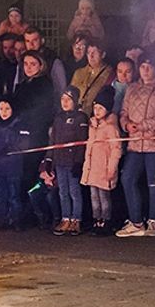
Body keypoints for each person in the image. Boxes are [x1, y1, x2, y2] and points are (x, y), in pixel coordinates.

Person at [116, 57, 155, 237]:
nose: (145, 70)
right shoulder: (132, 88)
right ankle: (136, 221)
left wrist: (145, 125)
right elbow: (123, 112)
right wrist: (126, 125)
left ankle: (154, 221)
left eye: (149, 67)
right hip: (135, 144)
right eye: (142, 67)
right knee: (127, 178)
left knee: (154, 182)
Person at [81, 86, 122, 235]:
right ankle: (96, 220)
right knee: (94, 196)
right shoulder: (92, 126)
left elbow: (116, 149)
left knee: (104, 197)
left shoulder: (111, 128)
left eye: (101, 108)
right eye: (95, 107)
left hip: (104, 169)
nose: (97, 111)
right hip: (93, 169)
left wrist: (111, 169)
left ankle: (106, 221)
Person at [49, 86, 89, 235]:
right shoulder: (58, 118)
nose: (65, 102)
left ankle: (76, 219)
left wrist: (79, 162)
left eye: (69, 99)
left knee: (74, 192)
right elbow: (53, 140)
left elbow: (82, 142)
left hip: (73, 161)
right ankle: (66, 218)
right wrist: (49, 159)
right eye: (62, 99)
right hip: (60, 161)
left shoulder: (81, 117)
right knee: (62, 191)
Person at [0, 99, 29, 231]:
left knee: (14, 195)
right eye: (1, 108)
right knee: (0, 195)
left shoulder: (20, 122)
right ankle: (1, 220)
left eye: (7, 108)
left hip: (13, 165)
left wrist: (9, 149)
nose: (4, 112)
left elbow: (25, 143)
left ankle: (17, 221)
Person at [18, 27, 67, 97]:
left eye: (34, 40)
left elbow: (61, 90)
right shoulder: (23, 60)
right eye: (27, 41)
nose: (31, 44)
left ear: (42, 40)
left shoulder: (53, 60)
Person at [70, 40, 113, 114]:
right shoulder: (79, 73)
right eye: (88, 52)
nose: (91, 56)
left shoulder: (110, 73)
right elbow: (71, 94)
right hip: (78, 115)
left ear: (103, 54)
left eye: (94, 52)